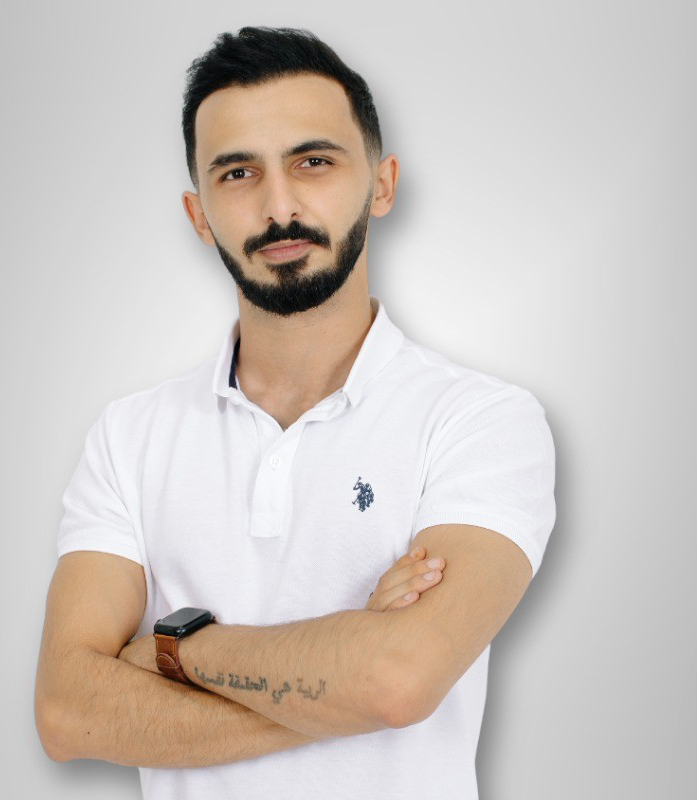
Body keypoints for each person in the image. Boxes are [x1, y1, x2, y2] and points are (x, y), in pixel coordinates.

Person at [34, 26, 556, 800]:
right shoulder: (129, 436)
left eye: (314, 162)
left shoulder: (480, 421)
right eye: (238, 172)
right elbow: (67, 714)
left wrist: (177, 650)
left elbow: (396, 681)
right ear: (199, 215)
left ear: (381, 185)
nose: (279, 207)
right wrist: (345, 679)